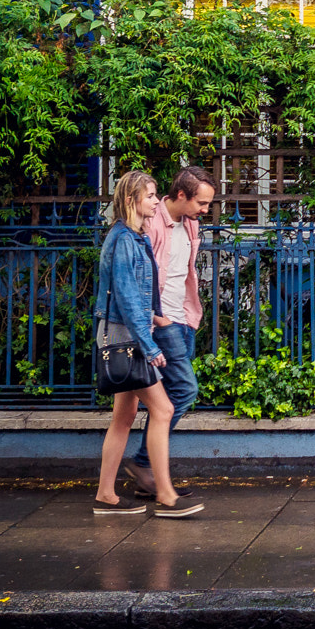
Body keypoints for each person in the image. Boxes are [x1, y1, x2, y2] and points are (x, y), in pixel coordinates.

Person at [92, 171, 203, 519]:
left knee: (124, 417)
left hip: (130, 332)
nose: (157, 201)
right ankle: (166, 496)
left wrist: (155, 315)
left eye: (156, 195)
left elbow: (137, 295)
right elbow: (125, 299)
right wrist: (150, 346)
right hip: (128, 338)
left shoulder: (133, 236)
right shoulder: (124, 239)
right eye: (151, 195)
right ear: (131, 201)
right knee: (164, 409)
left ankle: (105, 495)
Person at [122, 166, 215, 500]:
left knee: (149, 403)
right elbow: (138, 275)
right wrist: (153, 317)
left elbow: (184, 273)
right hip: (161, 323)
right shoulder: (151, 223)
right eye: (201, 203)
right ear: (180, 195)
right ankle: (146, 466)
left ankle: (147, 479)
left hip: (183, 318)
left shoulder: (190, 225)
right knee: (185, 390)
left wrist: (190, 317)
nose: (205, 210)